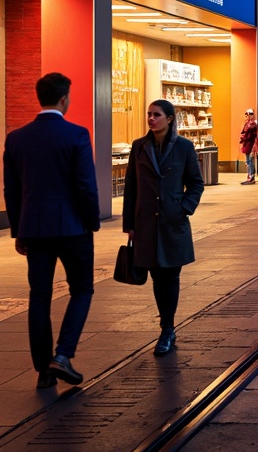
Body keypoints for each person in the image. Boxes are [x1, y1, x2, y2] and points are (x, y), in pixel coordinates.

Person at [3, 73, 100, 389]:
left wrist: (18, 230)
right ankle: (63, 355)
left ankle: (44, 371)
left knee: (39, 296)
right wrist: (92, 220)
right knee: (82, 289)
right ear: (64, 99)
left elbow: (12, 189)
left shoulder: (17, 138)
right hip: (73, 227)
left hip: (36, 230)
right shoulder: (76, 135)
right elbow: (85, 184)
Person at [123, 99, 204, 355]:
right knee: (157, 277)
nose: (151, 119)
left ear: (169, 119)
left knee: (171, 275)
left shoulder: (183, 147)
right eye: (149, 114)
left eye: (156, 115)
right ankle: (165, 325)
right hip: (146, 222)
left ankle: (167, 328)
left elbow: (195, 183)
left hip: (172, 222)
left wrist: (183, 207)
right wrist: (129, 224)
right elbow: (131, 188)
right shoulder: (139, 147)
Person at [239, 108, 258, 184]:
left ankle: (251, 176)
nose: (247, 116)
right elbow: (243, 133)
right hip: (246, 144)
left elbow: (248, 134)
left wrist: (243, 137)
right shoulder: (247, 123)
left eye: (248, 114)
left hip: (250, 144)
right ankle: (249, 175)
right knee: (248, 161)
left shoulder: (252, 124)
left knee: (250, 161)